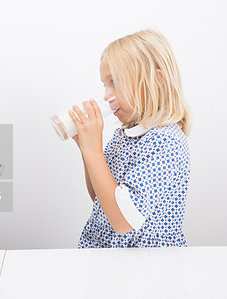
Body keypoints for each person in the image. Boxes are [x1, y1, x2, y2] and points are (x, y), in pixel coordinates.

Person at [70, 29, 191, 248]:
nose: (107, 96)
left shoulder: (167, 143)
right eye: (105, 85)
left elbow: (122, 221)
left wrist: (94, 152)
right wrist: (86, 152)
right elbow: (101, 199)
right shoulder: (123, 136)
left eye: (115, 82)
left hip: (145, 268)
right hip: (107, 258)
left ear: (156, 80)